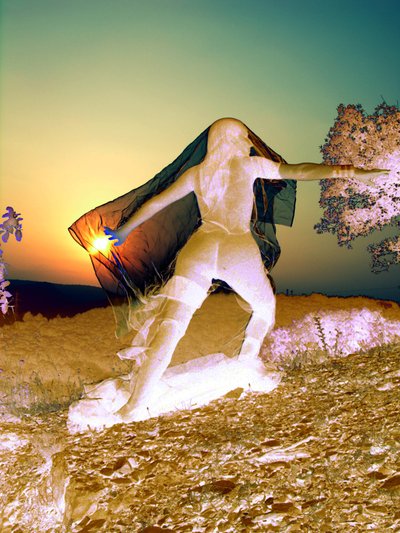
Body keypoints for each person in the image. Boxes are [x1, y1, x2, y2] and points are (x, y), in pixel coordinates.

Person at [104, 117, 388, 421]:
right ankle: (247, 362)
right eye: (244, 137)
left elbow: (156, 203)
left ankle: (134, 405)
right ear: (236, 139)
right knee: (264, 308)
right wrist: (352, 172)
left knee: (171, 325)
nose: (248, 142)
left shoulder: (197, 173)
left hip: (200, 247)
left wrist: (124, 231)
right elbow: (300, 171)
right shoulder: (249, 166)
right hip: (235, 247)